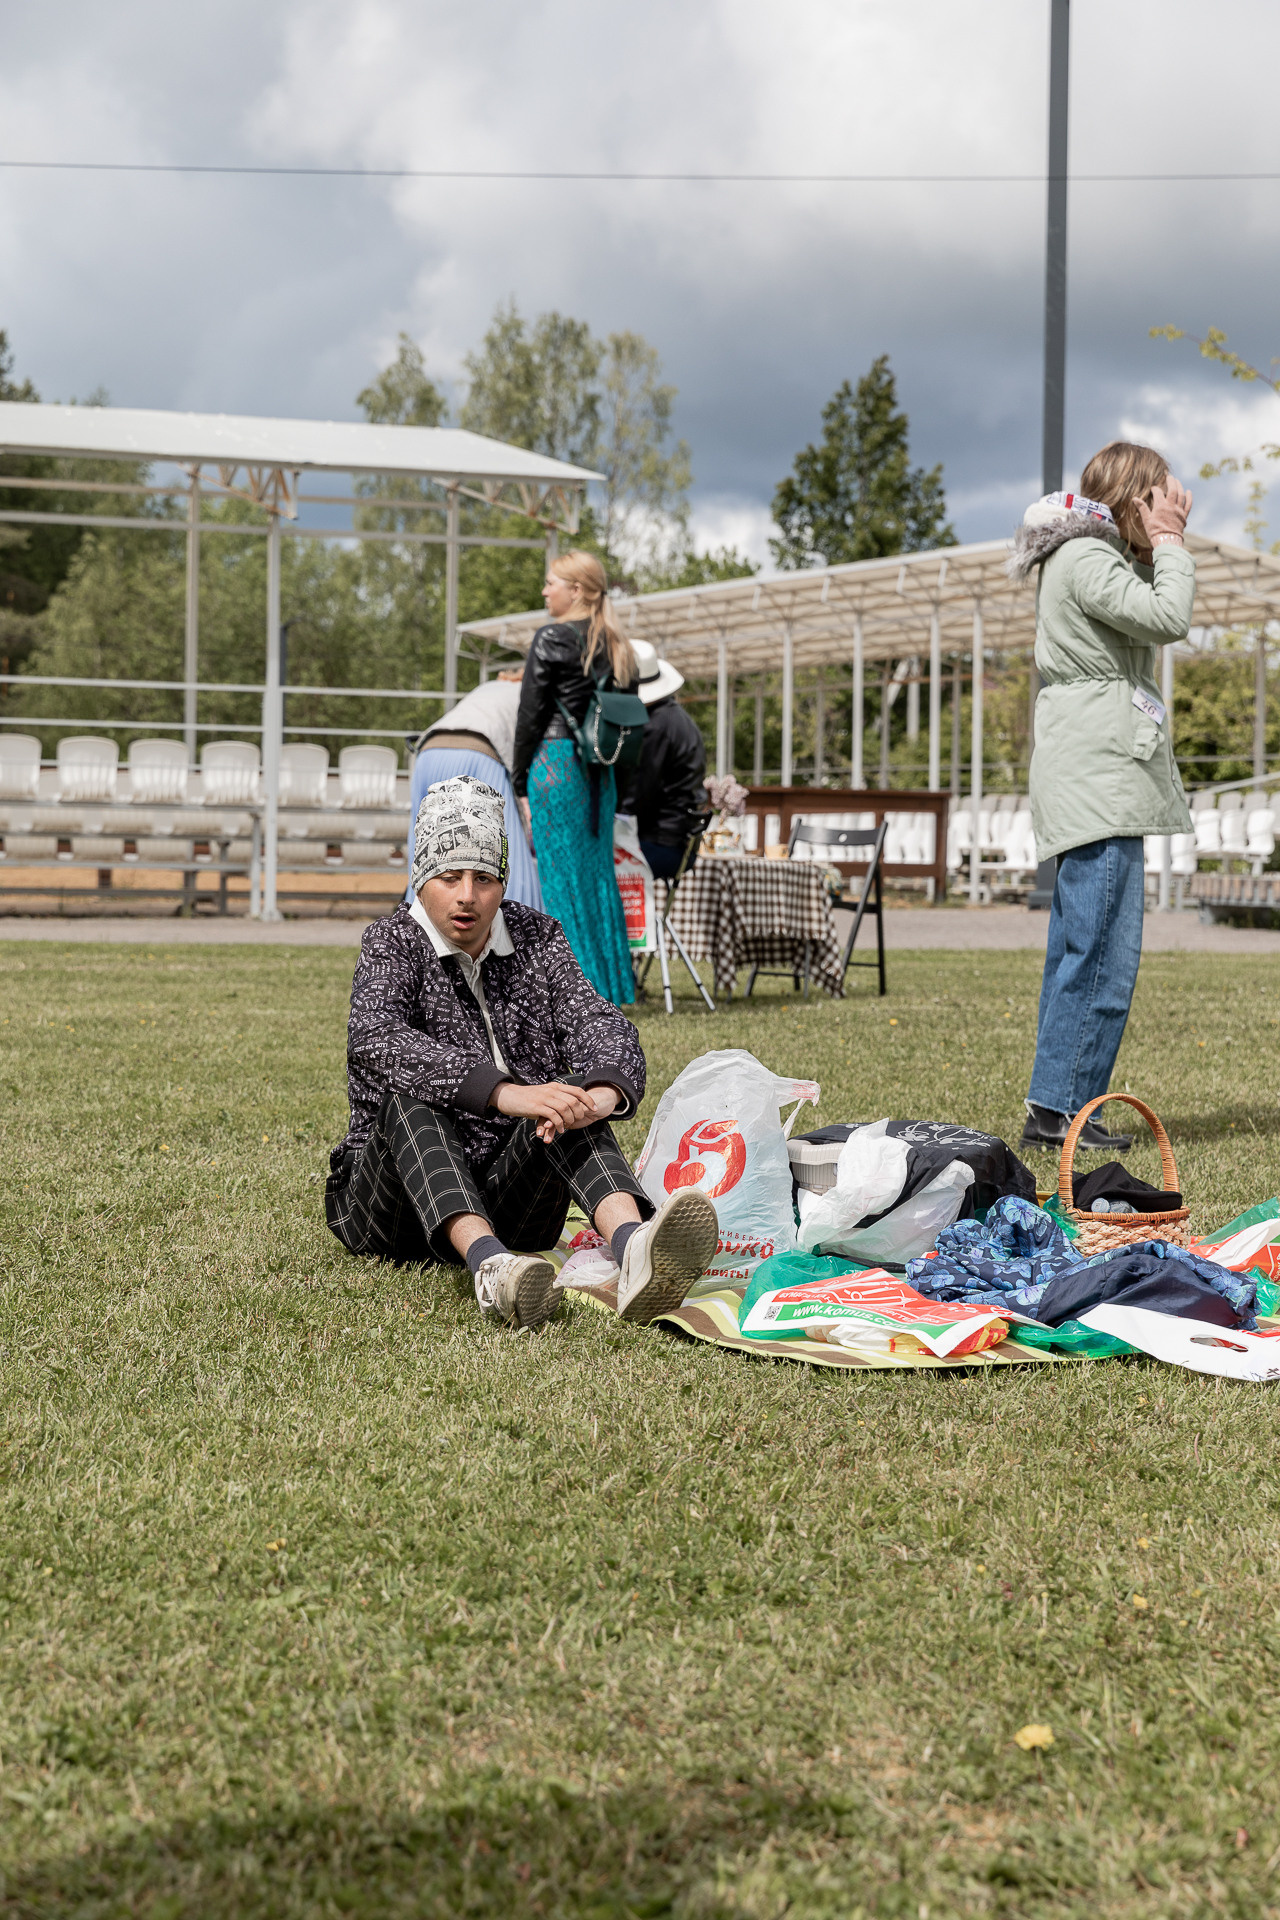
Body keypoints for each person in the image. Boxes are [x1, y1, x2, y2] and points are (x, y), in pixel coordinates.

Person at [326, 775, 717, 1328]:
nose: (467, 895)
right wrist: (506, 1093)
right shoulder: (391, 941)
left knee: (568, 1098)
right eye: (448, 877)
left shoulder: (537, 936)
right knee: (411, 1097)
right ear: (420, 879)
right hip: (392, 1210)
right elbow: (378, 1037)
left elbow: (595, 1017)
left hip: (512, 1203)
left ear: (503, 882)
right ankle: (491, 1270)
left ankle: (635, 1248)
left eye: (484, 878)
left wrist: (601, 1094)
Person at [1010, 442, 1195, 1152]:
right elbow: (1168, 615)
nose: (1168, 512)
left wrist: (1157, 544)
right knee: (1099, 953)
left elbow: (1144, 605)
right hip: (1100, 776)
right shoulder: (1087, 560)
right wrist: (1172, 543)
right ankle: (1061, 1112)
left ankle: (1062, 1105)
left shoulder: (1093, 558)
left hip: (1098, 772)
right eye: (1159, 498)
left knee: (1089, 948)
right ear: (1134, 498)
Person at [511, 550, 639, 1005]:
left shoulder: (551, 638)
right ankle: (611, 984)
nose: (545, 591)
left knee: (561, 878)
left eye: (552, 583)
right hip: (600, 774)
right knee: (598, 876)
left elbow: (530, 716)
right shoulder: (618, 646)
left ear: (577, 590)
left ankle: (575, 991)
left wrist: (518, 775)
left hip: (557, 762)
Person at [405, 670, 542, 909]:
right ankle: (520, 930)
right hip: (481, 751)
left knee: (425, 847)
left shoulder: (489, 686)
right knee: (504, 849)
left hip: (429, 750)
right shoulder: (532, 692)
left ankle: (415, 924)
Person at [620, 640, 708, 880]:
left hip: (660, 843)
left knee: (587, 864)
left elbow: (638, 796)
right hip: (676, 841)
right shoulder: (674, 717)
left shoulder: (655, 727)